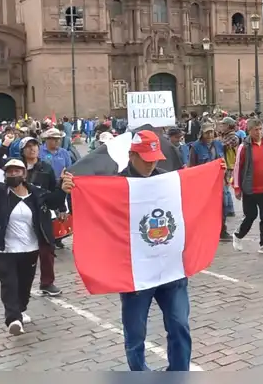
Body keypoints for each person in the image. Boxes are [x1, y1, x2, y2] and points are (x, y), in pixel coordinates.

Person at [64, 130, 193, 371]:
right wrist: (71, 191)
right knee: (135, 335)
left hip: (169, 268)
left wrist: (210, 178)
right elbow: (92, 213)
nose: (151, 163)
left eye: (155, 157)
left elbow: (190, 201)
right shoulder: (115, 185)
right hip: (136, 273)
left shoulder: (167, 181)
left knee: (179, 325)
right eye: (146, 158)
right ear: (131, 155)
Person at [0, 156, 69, 335]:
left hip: (30, 249)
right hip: (3, 250)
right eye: (9, 171)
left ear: (24, 174)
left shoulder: (36, 193)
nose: (13, 174)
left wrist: (63, 189)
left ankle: (20, 309)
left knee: (24, 285)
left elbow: (54, 201)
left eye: (17, 171)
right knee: (9, 284)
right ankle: (13, 319)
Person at [17, 136, 63, 297]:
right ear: (22, 150)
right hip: (19, 214)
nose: (32, 149)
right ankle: (21, 283)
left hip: (41, 213)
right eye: (28, 146)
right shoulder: (16, 167)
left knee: (47, 249)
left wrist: (61, 208)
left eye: (35, 145)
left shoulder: (46, 168)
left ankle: (47, 283)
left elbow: (53, 190)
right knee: (22, 251)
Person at [232, 118, 263, 255]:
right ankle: (238, 235)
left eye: (260, 129)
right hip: (250, 188)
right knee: (251, 215)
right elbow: (237, 167)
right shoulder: (244, 147)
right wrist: (237, 187)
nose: (259, 132)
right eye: (256, 130)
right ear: (249, 131)